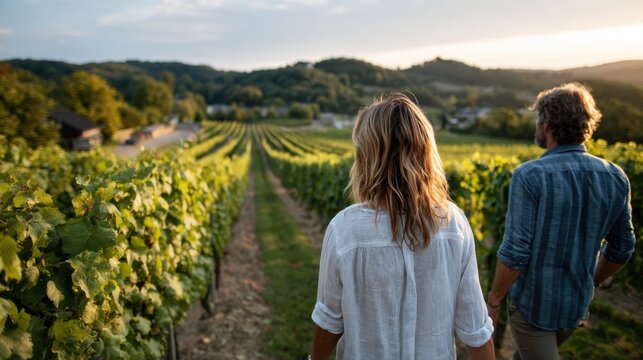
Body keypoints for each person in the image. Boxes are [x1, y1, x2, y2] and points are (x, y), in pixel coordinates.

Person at [310, 93, 495, 360]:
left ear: (367, 157)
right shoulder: (454, 223)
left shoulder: (345, 229)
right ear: (425, 152)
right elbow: (475, 330)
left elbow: (329, 319)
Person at [486, 83, 636, 359]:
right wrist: (591, 281)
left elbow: (516, 250)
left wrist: (494, 299)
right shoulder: (615, 176)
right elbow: (623, 246)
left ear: (547, 124)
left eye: (538, 119)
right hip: (576, 304)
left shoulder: (530, 175)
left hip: (533, 306)